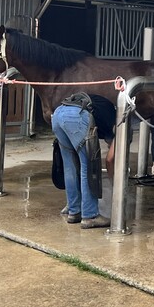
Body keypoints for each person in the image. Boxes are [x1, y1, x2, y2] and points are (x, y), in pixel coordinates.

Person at [52, 92, 110, 229]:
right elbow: (112, 150)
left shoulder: (103, 104)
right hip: (76, 116)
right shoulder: (113, 117)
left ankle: (74, 211)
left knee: (69, 166)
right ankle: (90, 216)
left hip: (58, 113)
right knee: (88, 165)